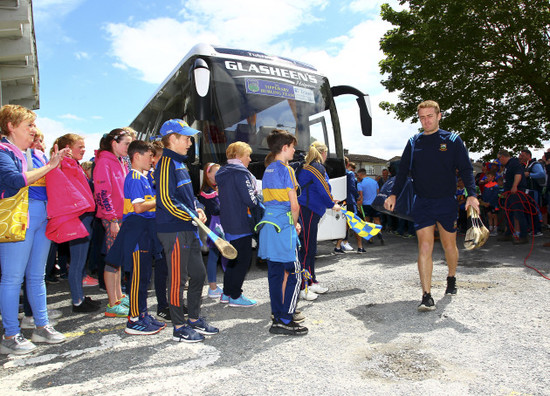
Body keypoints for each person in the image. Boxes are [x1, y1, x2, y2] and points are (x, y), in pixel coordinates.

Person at [384, 100, 479, 312]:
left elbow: (466, 169)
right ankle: (426, 295)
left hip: (446, 202)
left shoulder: (453, 140)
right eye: (422, 117)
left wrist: (471, 195)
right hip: (422, 202)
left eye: (430, 116)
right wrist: (393, 194)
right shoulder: (414, 141)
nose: (426, 120)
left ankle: (451, 277)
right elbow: (402, 173)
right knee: (425, 246)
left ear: (439, 116)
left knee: (449, 246)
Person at [0, 104, 69, 355]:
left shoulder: (30, 153)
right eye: (28, 125)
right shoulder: (3, 151)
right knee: (12, 278)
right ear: (11, 126)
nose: (33, 130)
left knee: (37, 275)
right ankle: (10, 334)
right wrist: (51, 166)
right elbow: (15, 181)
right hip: (20, 218)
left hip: (40, 216)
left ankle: (41, 326)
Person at [155, 119, 218, 343]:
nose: (190, 142)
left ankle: (193, 319)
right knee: (177, 280)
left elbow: (189, 198)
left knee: (199, 274)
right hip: (173, 230)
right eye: (186, 138)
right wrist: (192, 215)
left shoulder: (181, 163)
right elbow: (165, 200)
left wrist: (199, 209)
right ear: (172, 139)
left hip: (187, 227)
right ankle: (179, 327)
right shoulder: (165, 164)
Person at [106, 140, 166, 335]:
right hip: (137, 233)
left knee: (145, 276)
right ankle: (133, 319)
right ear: (137, 156)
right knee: (138, 278)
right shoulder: (133, 177)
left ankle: (142, 313)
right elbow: (139, 207)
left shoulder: (143, 177)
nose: (152, 160)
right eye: (149, 156)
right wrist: (160, 199)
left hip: (146, 232)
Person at [257, 129, 307, 336]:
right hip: (283, 226)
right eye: (293, 146)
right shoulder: (287, 170)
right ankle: (286, 319)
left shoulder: (267, 169)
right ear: (284, 148)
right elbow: (294, 206)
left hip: (268, 226)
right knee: (295, 272)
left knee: (275, 274)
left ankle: (277, 316)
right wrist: (294, 225)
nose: (295, 150)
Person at [45, 133, 101, 313]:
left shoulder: (71, 164)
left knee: (80, 261)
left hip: (85, 216)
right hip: (79, 217)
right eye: (80, 146)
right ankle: (77, 300)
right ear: (67, 148)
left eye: (84, 147)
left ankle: (80, 297)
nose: (83, 150)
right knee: (77, 262)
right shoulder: (66, 164)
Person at [216, 141, 261, 307]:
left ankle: (227, 293)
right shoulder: (241, 173)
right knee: (243, 260)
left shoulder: (222, 172)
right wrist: (257, 197)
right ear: (238, 156)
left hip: (228, 221)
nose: (249, 159)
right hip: (241, 222)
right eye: (247, 155)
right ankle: (235, 295)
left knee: (232, 259)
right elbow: (250, 199)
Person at [93, 128, 132, 317]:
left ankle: (118, 296)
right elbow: (102, 193)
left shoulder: (120, 162)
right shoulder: (103, 162)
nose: (128, 147)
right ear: (114, 143)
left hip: (120, 217)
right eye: (126, 143)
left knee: (117, 260)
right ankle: (112, 303)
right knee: (112, 259)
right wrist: (112, 219)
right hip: (113, 219)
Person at [297, 141, 341, 301]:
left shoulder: (308, 167)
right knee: (307, 250)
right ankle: (304, 286)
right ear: (323, 153)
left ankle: (311, 281)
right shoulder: (317, 167)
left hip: (308, 209)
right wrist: (332, 204)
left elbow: (316, 189)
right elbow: (324, 189)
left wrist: (330, 201)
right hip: (308, 210)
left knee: (310, 248)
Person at [198, 162, 226, 299]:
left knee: (217, 256)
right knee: (214, 257)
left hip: (216, 227)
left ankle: (215, 286)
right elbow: (215, 210)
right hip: (214, 228)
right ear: (207, 174)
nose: (218, 175)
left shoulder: (213, 189)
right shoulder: (208, 192)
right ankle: (213, 287)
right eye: (215, 172)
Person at [496, 150, 529, 244]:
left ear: (503, 156)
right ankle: (508, 234)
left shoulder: (514, 163)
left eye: (499, 158)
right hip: (509, 193)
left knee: (519, 213)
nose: (499, 161)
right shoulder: (507, 165)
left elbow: (518, 174)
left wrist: (515, 186)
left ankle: (523, 236)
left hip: (516, 192)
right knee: (508, 213)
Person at [334, 157, 359, 253]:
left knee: (343, 222)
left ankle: (339, 245)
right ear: (347, 164)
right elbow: (352, 187)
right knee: (350, 221)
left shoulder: (336, 173)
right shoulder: (350, 173)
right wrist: (358, 196)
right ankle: (345, 242)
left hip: (340, 201)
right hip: (349, 200)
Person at [357, 168, 385, 248]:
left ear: (361, 174)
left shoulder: (360, 183)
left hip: (366, 204)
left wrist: (359, 205)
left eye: (358, 175)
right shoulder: (374, 182)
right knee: (377, 219)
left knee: (367, 221)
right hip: (375, 204)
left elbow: (361, 196)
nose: (358, 177)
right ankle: (379, 232)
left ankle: (370, 238)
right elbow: (378, 193)